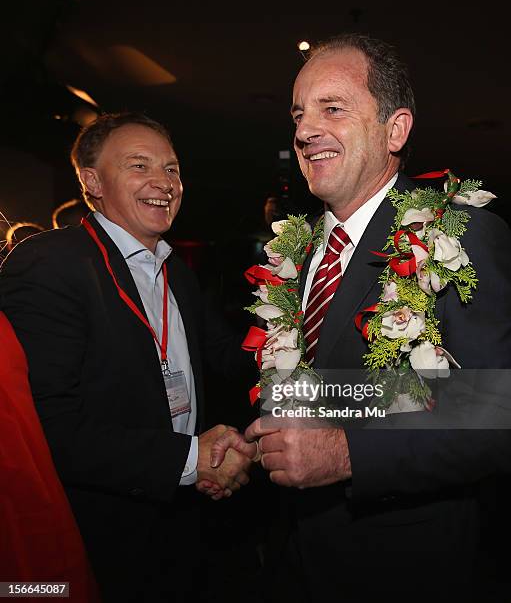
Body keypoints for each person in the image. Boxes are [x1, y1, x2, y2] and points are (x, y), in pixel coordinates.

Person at [211, 33, 511, 601]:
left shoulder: (461, 235)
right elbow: (322, 394)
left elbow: (495, 414)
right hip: (291, 553)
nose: (303, 131)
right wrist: (260, 444)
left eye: (333, 108)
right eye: (299, 114)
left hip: (401, 566)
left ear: (395, 130)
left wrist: (344, 453)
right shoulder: (297, 253)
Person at [0, 112, 256, 602]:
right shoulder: (51, 263)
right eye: (139, 166)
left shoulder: (175, 270)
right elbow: (48, 428)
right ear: (92, 182)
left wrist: (302, 332)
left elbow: (229, 361)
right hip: (98, 537)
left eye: (173, 169)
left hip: (182, 520)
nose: (164, 183)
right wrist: (191, 457)